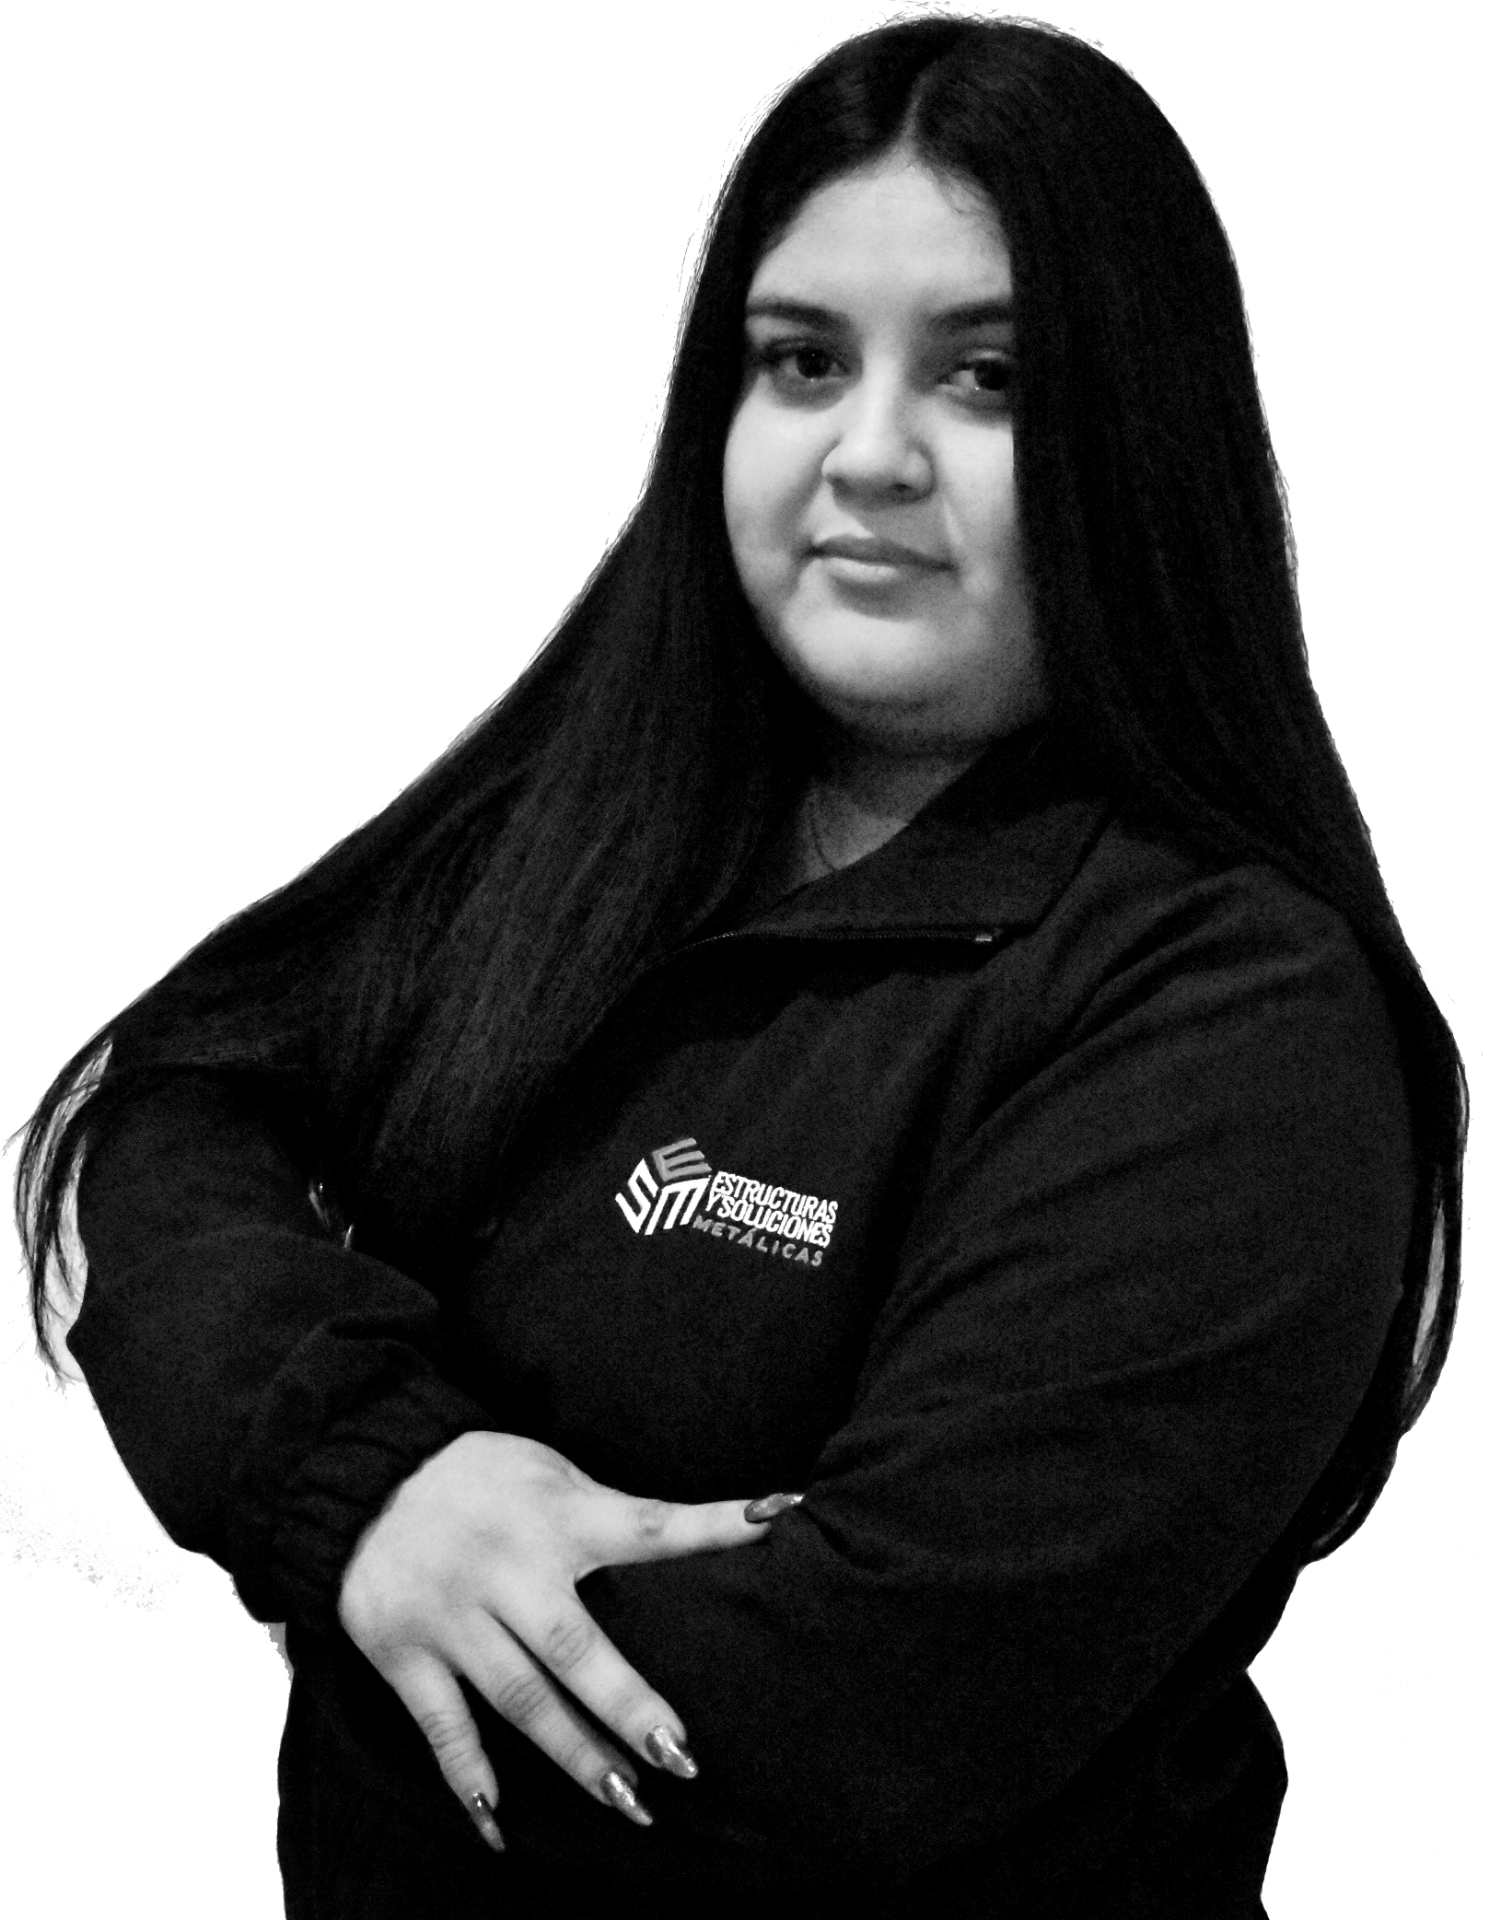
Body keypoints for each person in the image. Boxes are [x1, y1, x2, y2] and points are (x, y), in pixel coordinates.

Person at [9, 12, 1468, 1916]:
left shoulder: (1237, 1024)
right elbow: (171, 1105)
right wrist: (372, 1489)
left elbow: (844, 1730)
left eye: (991, 378)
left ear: (1148, 443)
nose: (871, 455)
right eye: (801, 362)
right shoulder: (590, 836)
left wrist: (352, 1612)